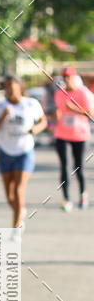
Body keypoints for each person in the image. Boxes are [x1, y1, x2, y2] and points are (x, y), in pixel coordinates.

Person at [0, 74, 47, 233]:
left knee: (19, 189)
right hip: (6, 152)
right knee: (10, 196)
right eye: (6, 87)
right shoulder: (0, 106)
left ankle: (15, 229)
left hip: (24, 151)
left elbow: (43, 121)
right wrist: (3, 116)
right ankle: (19, 210)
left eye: (11, 87)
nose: (8, 90)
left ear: (20, 87)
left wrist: (36, 129)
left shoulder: (31, 104)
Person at [53, 66, 93, 210]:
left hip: (80, 135)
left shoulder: (84, 93)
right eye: (64, 76)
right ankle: (66, 199)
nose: (66, 79)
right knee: (64, 166)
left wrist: (73, 109)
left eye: (68, 76)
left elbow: (91, 114)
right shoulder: (59, 93)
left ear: (74, 77)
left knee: (79, 167)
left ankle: (83, 195)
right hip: (62, 134)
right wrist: (55, 117)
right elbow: (58, 111)